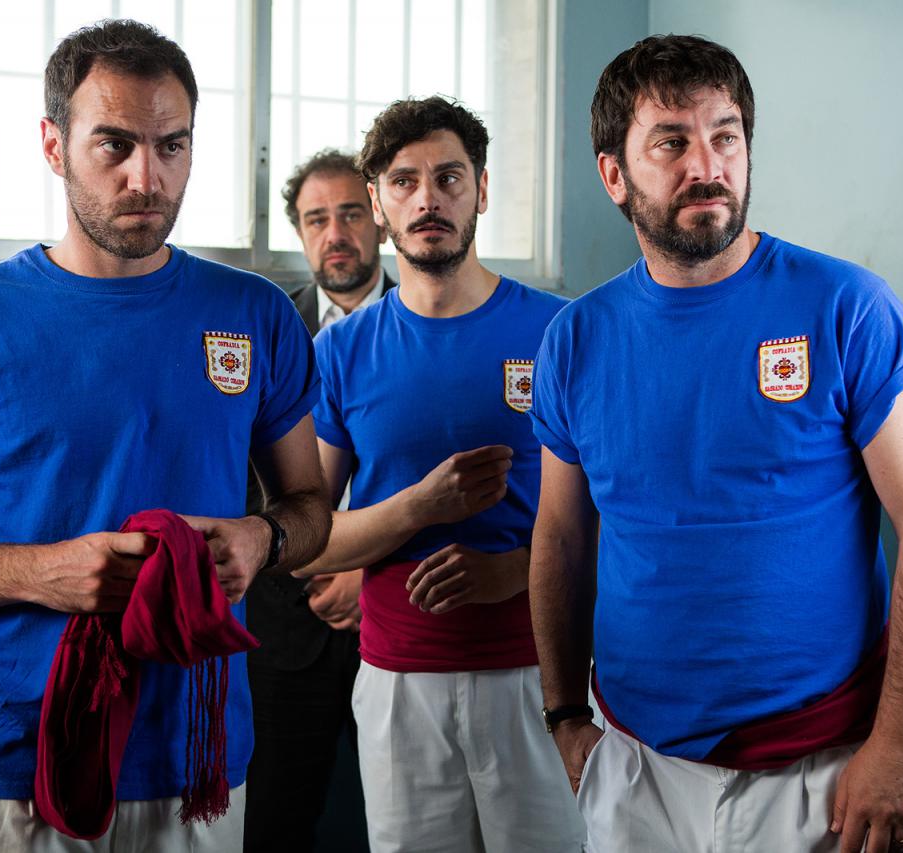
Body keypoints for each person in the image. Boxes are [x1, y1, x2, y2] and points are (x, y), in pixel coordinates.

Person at [0, 19, 330, 853]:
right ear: (53, 145)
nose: (148, 177)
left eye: (172, 145)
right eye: (115, 145)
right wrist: (47, 574)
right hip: (3, 767)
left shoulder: (255, 314)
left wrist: (264, 538)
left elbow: (310, 505)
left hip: (193, 768)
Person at [529, 34, 903, 853]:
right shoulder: (575, 339)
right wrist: (562, 711)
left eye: (725, 136)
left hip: (822, 770)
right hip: (634, 763)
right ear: (614, 175)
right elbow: (559, 536)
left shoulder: (849, 308)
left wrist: (902, 745)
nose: (708, 165)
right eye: (672, 142)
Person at [296, 96, 586, 853]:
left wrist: (514, 572)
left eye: (449, 178)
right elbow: (306, 540)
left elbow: (620, 511)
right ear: (380, 205)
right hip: (398, 684)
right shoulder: (340, 352)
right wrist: (422, 506)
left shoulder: (562, 330)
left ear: (481, 190)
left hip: (541, 676)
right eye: (404, 181)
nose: (428, 198)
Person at [242, 149, 393, 852]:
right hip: (285, 621)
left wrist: (366, 569)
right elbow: (252, 481)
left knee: (413, 822)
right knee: (274, 822)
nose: (336, 234)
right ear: (299, 232)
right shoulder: (268, 330)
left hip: (402, 609)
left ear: (380, 218)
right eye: (316, 219)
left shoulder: (425, 319)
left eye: (351, 213)